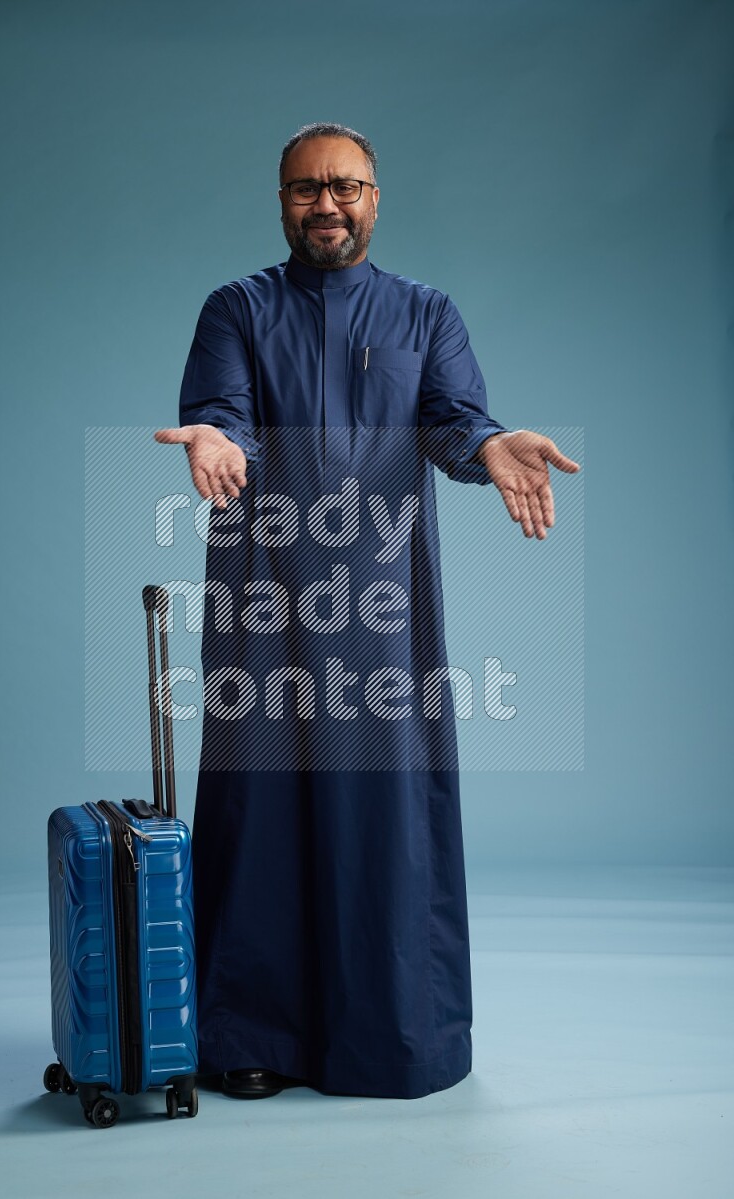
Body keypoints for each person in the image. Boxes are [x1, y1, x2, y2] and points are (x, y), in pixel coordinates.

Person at [156, 122, 580, 1101]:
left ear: (374, 198)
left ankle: (394, 1036)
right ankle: (249, 1032)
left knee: (382, 813)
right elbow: (220, 403)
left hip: (380, 608)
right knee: (259, 810)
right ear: (281, 202)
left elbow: (452, 419)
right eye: (305, 190)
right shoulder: (237, 307)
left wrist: (492, 445)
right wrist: (216, 440)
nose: (326, 205)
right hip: (261, 597)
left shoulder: (424, 313)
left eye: (344, 187)